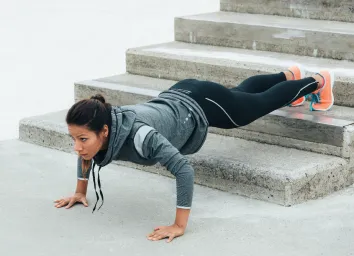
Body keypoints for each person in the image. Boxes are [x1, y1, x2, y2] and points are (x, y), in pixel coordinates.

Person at [54, 65, 335, 242]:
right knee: (240, 96)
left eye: (82, 138)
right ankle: (289, 76)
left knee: (255, 105)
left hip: (199, 103)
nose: (77, 147)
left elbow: (184, 169)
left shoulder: (140, 136)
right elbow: (86, 154)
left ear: (104, 131)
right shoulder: (102, 128)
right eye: (73, 138)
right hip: (184, 94)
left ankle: (318, 81)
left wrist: (178, 225)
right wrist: (80, 191)